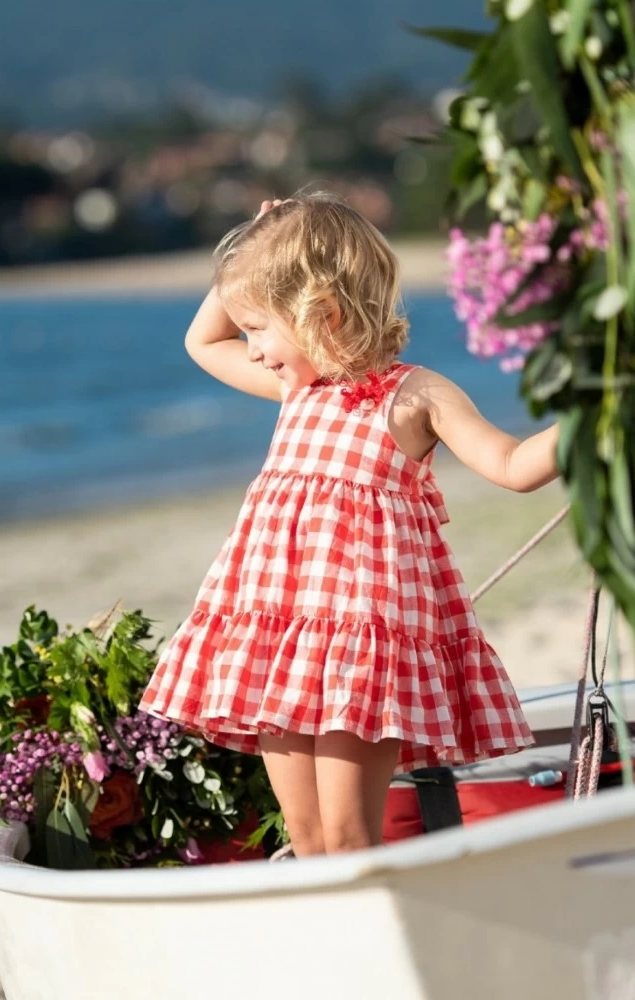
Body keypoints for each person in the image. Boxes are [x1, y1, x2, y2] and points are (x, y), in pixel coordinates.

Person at [138, 190, 559, 859]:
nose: (250, 351)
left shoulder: (417, 395)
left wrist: (592, 423)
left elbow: (511, 463)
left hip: (361, 649)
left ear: (321, 312)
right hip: (277, 636)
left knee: (349, 834)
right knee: (305, 835)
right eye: (246, 331)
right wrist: (258, 238)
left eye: (260, 330)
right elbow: (201, 339)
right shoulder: (297, 390)